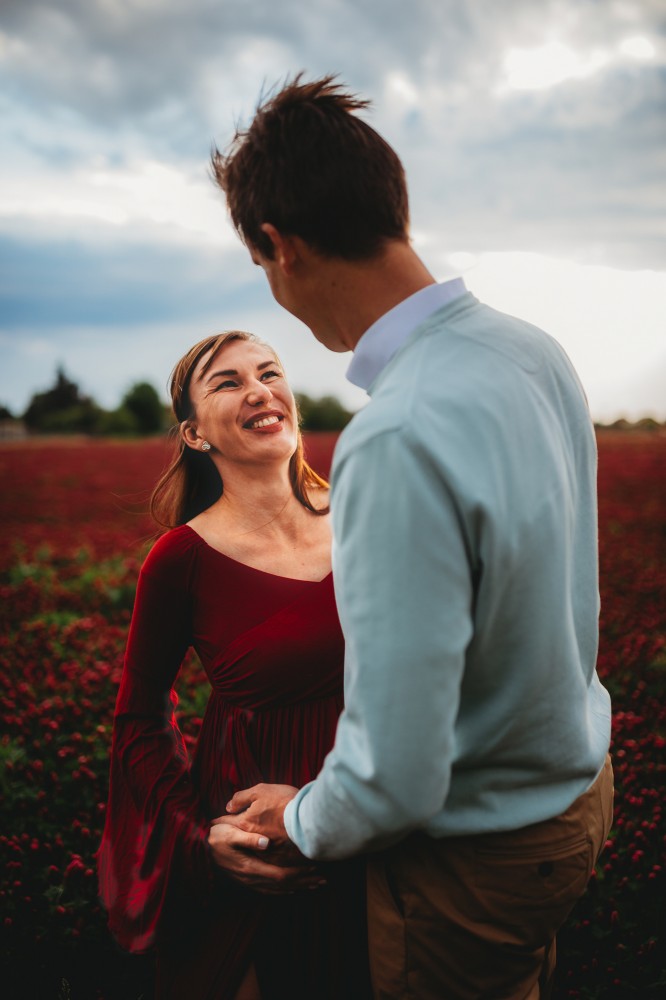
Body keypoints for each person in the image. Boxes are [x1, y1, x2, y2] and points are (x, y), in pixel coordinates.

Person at [209, 76, 615, 999]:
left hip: (478, 856)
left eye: (262, 267)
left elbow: (395, 776)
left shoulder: (394, 435)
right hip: (573, 801)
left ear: (279, 244)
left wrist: (302, 817)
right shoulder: (531, 348)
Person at [97, 330, 372, 1000]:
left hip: (381, 822)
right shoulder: (181, 558)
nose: (258, 389)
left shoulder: (369, 512)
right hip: (257, 853)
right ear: (195, 435)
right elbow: (138, 718)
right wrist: (202, 838)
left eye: (269, 372)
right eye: (227, 382)